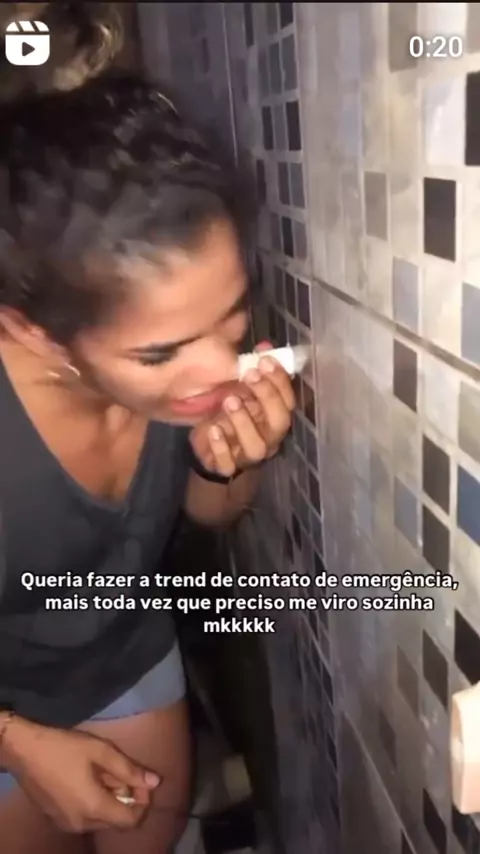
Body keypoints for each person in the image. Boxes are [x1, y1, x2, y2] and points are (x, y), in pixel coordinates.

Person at [0, 68, 296, 854]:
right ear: (34, 333)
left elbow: (208, 512)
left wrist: (231, 461)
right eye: (161, 354)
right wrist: (19, 744)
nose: (219, 371)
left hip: (125, 655)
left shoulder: (176, 348)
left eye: (231, 319)